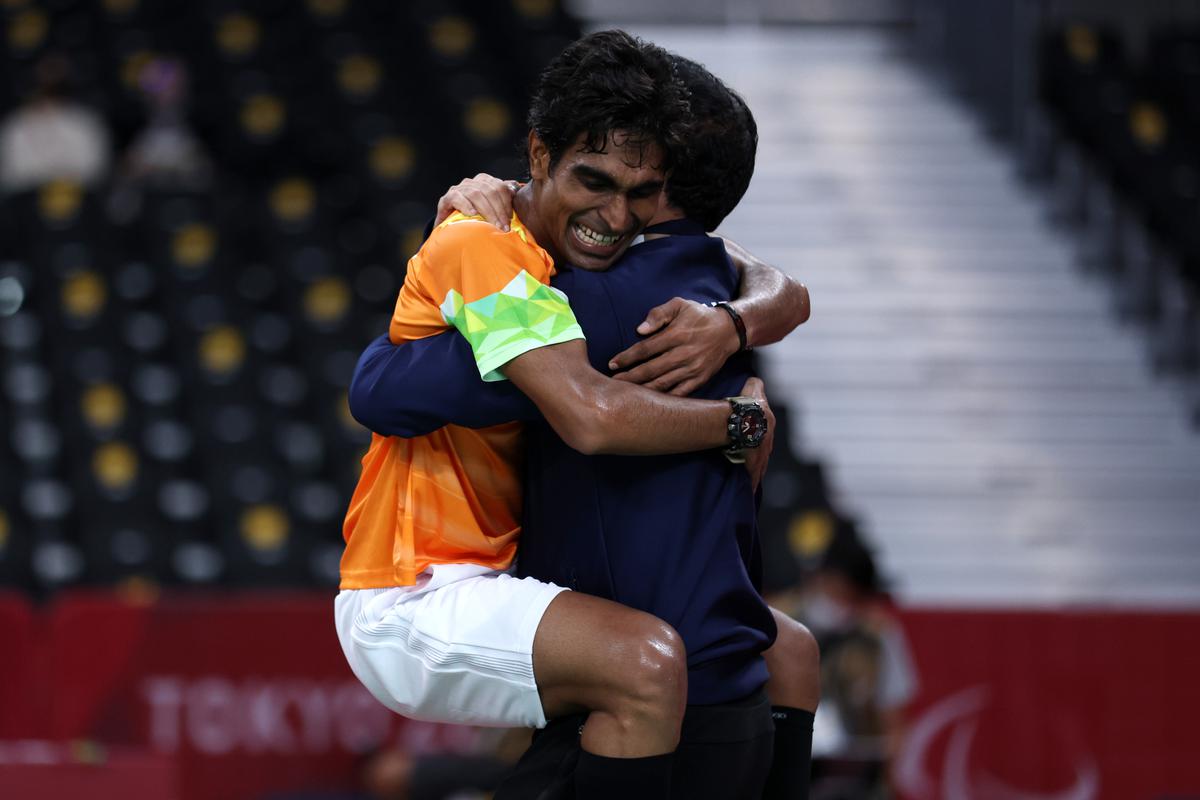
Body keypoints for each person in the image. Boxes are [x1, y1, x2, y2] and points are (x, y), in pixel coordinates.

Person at [347, 55, 819, 799]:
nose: (616, 215)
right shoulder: (492, 249)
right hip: (415, 590)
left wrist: (741, 318)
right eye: (594, 182)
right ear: (538, 155)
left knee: (783, 645)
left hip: (503, 576)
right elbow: (580, 414)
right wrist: (739, 420)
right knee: (649, 661)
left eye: (640, 193)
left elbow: (754, 273)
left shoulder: (598, 277)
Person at [0, 54, 110, 192]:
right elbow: (10, 176)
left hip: (76, 198)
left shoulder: (84, 122)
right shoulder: (15, 126)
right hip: (27, 201)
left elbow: (95, 171)